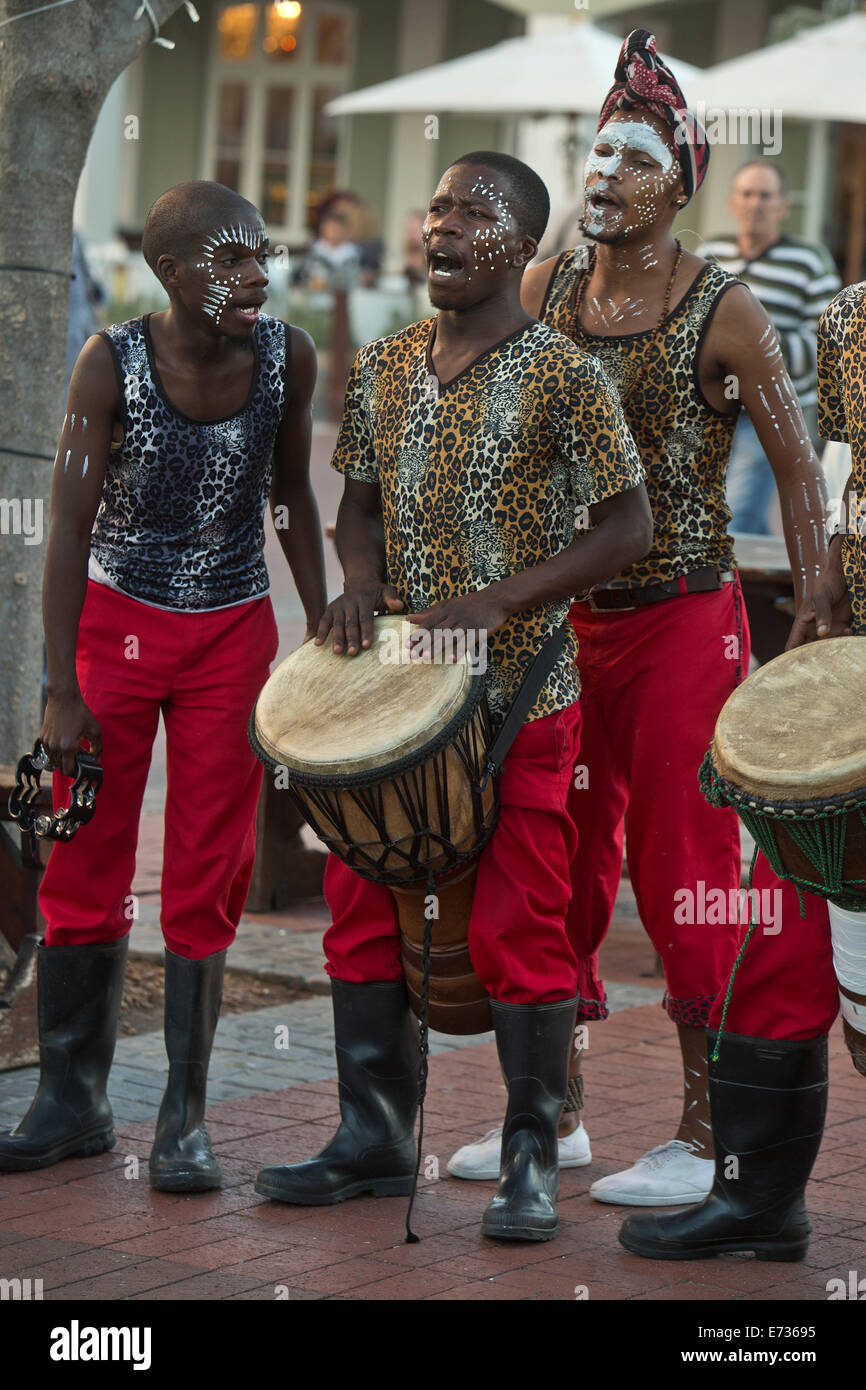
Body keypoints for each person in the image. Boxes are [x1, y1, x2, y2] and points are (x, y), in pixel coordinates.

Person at [448, 29, 829, 1209]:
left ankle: (703, 1128)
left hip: (679, 621)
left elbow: (797, 463)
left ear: (679, 180)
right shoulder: (543, 288)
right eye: (592, 152)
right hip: (563, 626)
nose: (600, 174)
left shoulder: (725, 308)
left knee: (681, 871)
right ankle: (552, 1111)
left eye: (627, 156)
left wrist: (816, 596)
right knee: (549, 861)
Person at [254, 150, 652, 1243]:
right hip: (397, 698)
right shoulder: (384, 366)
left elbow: (628, 528)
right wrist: (361, 585)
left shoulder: (564, 372)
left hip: (523, 694)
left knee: (522, 926)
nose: (440, 225)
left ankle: (530, 1152)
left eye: (469, 212)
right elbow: (355, 508)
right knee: (357, 916)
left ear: (518, 246)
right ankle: (373, 1140)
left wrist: (497, 601)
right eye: (433, 206)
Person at [0, 181, 327, 1193]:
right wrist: (60, 684)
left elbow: (288, 496)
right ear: (175, 272)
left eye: (262, 254)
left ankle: (184, 1116)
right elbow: (67, 525)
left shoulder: (286, 355)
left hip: (230, 630)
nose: (257, 277)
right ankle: (70, 1100)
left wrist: (320, 622)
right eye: (232, 261)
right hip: (116, 628)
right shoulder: (112, 363)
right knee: (84, 853)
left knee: (208, 861)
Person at [617, 280, 865, 1261]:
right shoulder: (847, 316)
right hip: (852, 680)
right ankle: (757, 1200)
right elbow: (842, 458)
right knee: (780, 941)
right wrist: (828, 576)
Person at [700, 160, 840, 534]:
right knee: (718, 507)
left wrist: (757, 351)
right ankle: (760, 586)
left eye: (765, 195)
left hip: (774, 407)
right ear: (733, 202)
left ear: (783, 206)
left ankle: (744, 587)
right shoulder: (711, 253)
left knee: (740, 510)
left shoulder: (809, 262)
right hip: (712, 406)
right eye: (747, 194)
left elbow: (829, 344)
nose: (755, 204)